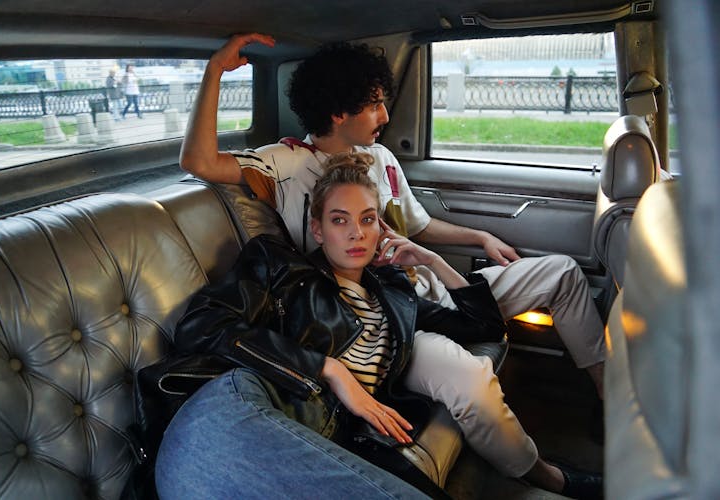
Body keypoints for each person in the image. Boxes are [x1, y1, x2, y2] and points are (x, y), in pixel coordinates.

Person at [181, 33, 603, 489]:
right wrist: (213, 72)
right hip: (385, 315)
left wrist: (480, 237)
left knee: (561, 272)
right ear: (339, 111)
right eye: (374, 104)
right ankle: (548, 477)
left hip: (428, 289)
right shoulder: (285, 161)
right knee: (470, 378)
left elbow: (417, 228)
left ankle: (609, 398)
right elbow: (199, 160)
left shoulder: (380, 157)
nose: (385, 116)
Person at [155, 153, 600, 498]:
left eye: (367, 220)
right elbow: (201, 325)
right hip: (252, 412)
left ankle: (549, 476)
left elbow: (482, 327)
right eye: (339, 220)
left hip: (336, 439)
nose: (355, 234)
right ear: (318, 228)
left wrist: (431, 259)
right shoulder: (279, 264)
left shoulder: (394, 295)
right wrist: (326, 368)